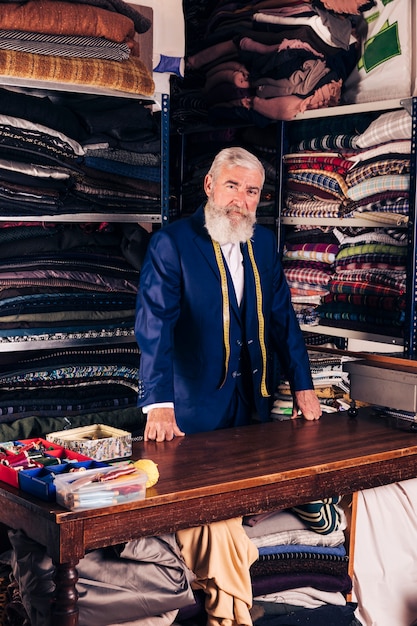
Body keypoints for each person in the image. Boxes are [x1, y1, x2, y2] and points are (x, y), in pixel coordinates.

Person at [135, 146, 321, 442]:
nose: (241, 201)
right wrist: (158, 404)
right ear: (209, 185)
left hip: (253, 402)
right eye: (232, 186)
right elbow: (154, 328)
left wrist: (303, 384)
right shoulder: (171, 243)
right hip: (191, 408)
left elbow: (283, 320)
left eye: (252, 191)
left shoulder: (263, 243)